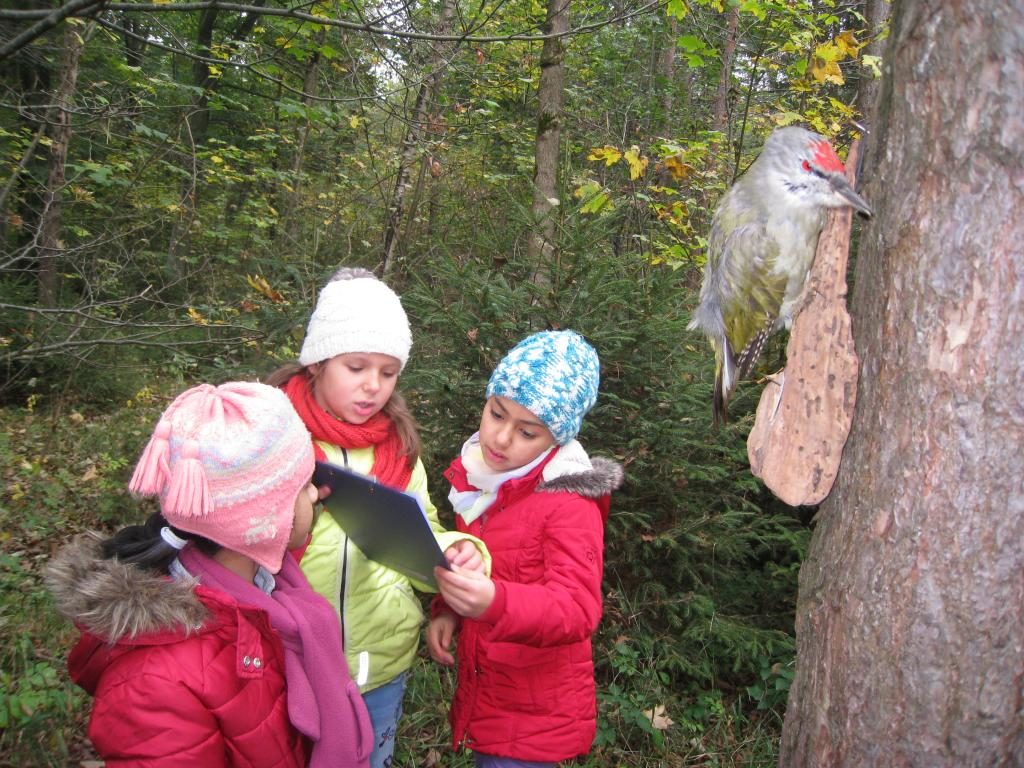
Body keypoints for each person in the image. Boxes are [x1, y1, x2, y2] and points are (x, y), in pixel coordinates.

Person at [46, 382, 372, 768]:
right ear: (263, 520)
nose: (316, 496)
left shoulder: (266, 586)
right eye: (303, 487)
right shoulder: (152, 685)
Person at [268, 267, 489, 768]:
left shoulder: (397, 446)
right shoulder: (272, 433)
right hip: (289, 656)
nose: (373, 386)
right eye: (356, 367)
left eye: (388, 373)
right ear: (318, 362)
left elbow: (422, 524)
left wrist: (461, 551)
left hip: (378, 660)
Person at [426, 329, 624, 768]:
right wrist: (450, 609)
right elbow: (474, 555)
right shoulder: (482, 481)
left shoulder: (567, 503)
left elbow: (577, 610)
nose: (500, 439)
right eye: (497, 414)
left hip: (534, 717)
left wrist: (494, 601)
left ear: (556, 438)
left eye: (527, 431)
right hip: (491, 693)